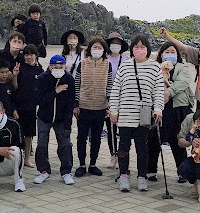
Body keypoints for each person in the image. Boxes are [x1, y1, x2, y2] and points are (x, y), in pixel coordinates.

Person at [110, 34, 165, 192]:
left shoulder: (155, 67)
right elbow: (116, 90)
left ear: (148, 49)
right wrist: (113, 110)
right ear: (132, 49)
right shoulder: (124, 66)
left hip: (144, 114)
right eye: (136, 47)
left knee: (142, 148)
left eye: (142, 47)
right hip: (125, 114)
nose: (139, 49)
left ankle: (142, 177)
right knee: (123, 147)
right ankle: (123, 176)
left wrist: (158, 108)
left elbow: (158, 91)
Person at [147, 42, 194, 184]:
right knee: (154, 139)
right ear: (161, 54)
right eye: (166, 52)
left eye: (173, 52)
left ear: (177, 54)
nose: (170, 54)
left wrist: (168, 90)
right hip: (158, 108)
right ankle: (151, 170)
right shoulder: (155, 67)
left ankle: (182, 171)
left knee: (177, 140)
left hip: (178, 108)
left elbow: (183, 82)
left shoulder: (182, 67)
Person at [73, 36, 113, 177]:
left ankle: (93, 164)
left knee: (96, 137)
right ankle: (81, 165)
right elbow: (76, 84)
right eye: (94, 47)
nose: (97, 49)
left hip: (101, 107)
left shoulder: (107, 64)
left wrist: (109, 104)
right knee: (81, 137)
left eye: (99, 47)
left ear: (104, 50)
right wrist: (76, 104)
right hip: (84, 106)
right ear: (89, 49)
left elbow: (109, 85)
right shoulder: (82, 64)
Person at [33, 55, 76, 185]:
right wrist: (55, 91)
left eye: (60, 67)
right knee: (41, 144)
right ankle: (43, 171)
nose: (58, 69)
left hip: (61, 119)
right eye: (55, 67)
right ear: (50, 67)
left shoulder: (69, 79)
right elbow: (38, 100)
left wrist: (68, 123)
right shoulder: (42, 78)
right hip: (44, 117)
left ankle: (66, 172)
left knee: (65, 144)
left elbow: (71, 102)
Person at [13, 44, 43, 167]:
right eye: (26, 55)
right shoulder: (20, 68)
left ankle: (26, 158)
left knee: (29, 134)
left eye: (31, 54)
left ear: (36, 55)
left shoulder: (39, 70)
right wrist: (15, 76)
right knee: (17, 133)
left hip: (31, 107)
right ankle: (16, 158)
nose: (29, 57)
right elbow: (15, 87)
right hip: (19, 106)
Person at [105, 31, 129, 169]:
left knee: (124, 131)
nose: (115, 45)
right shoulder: (104, 58)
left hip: (124, 98)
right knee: (111, 129)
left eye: (118, 43)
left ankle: (123, 158)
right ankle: (113, 155)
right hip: (108, 98)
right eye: (113, 43)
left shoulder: (126, 59)